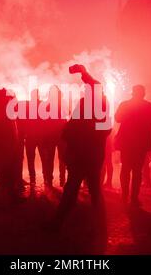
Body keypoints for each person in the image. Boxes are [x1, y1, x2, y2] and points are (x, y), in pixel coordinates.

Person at [49, 64, 111, 230]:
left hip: (83, 154)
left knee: (74, 188)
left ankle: (58, 223)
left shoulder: (92, 104)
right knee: (91, 189)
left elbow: (74, 128)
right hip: (91, 154)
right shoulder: (98, 103)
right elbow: (103, 129)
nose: (85, 89)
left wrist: (75, 135)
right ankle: (100, 224)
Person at [115, 85, 151, 207]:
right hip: (141, 143)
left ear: (132, 93)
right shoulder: (148, 106)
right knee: (137, 170)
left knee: (126, 169)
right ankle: (134, 198)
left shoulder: (125, 104)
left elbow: (117, 118)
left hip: (127, 142)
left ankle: (124, 195)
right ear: (143, 93)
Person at [40, 86, 68, 187]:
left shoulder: (47, 105)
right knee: (62, 159)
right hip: (59, 135)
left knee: (51, 159)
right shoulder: (62, 103)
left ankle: (50, 180)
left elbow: (43, 122)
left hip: (52, 136)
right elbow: (65, 118)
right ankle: (62, 180)